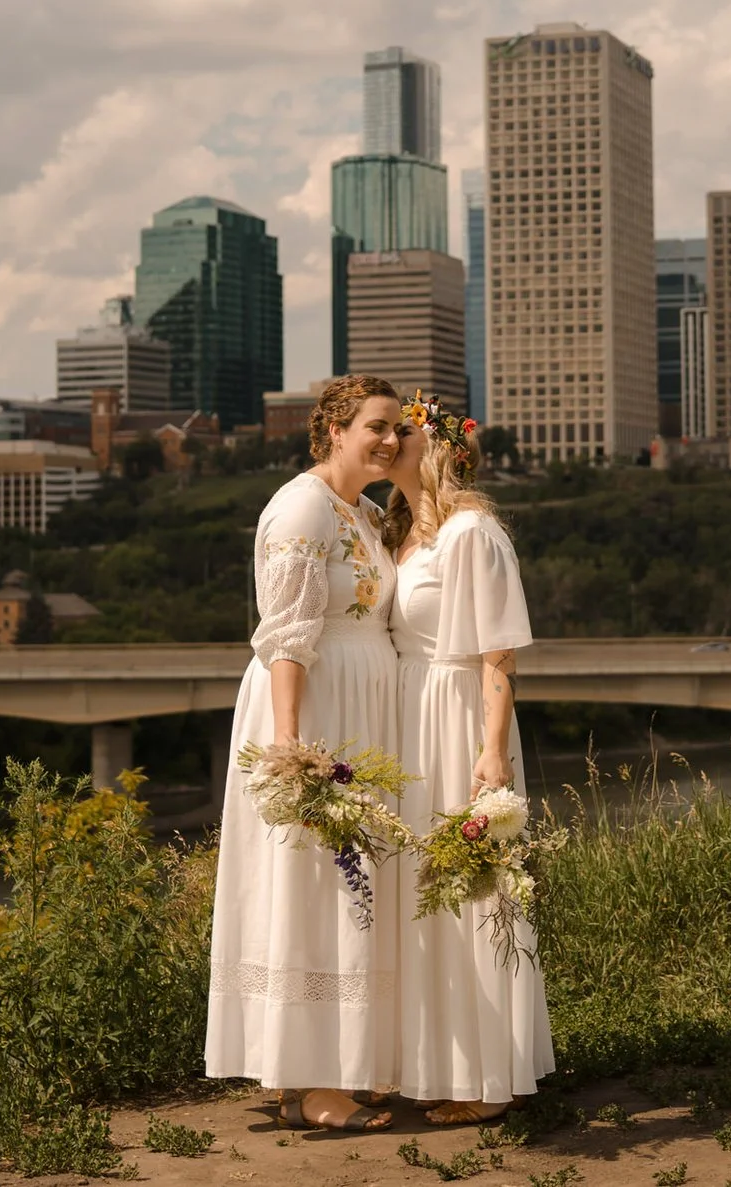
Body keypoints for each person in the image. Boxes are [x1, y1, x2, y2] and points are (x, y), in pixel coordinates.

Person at [205, 375, 408, 1132]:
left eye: (395, 429)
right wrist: (291, 746)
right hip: (313, 707)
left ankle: (343, 1062)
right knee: (314, 886)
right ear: (332, 430)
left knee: (346, 886)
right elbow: (285, 633)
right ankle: (312, 1082)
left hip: (359, 707)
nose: (389, 440)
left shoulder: (358, 509)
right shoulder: (300, 505)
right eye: (375, 427)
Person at [385, 400, 554, 1122]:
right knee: (421, 896)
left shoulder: (473, 533)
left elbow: (498, 652)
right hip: (410, 718)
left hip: (458, 718)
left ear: (436, 450)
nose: (392, 439)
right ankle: (432, 1063)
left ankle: (486, 1078)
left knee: (470, 891)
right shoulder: (404, 534)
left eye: (405, 431)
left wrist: (491, 749)